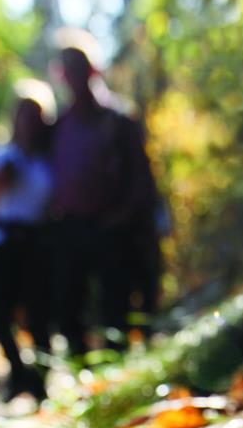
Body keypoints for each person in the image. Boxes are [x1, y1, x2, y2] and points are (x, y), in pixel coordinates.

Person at [47, 41, 161, 355]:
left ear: (92, 70)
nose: (73, 76)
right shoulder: (58, 126)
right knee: (70, 306)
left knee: (117, 305)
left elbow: (141, 177)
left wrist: (125, 218)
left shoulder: (119, 120)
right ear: (61, 76)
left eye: (79, 67)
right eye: (67, 69)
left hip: (115, 229)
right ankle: (81, 371)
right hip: (71, 230)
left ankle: (118, 369)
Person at [0, 88, 55, 401]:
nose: (29, 123)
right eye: (24, 115)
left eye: (36, 117)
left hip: (36, 244)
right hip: (2, 243)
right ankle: (18, 375)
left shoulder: (48, 164)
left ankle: (43, 382)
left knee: (39, 314)